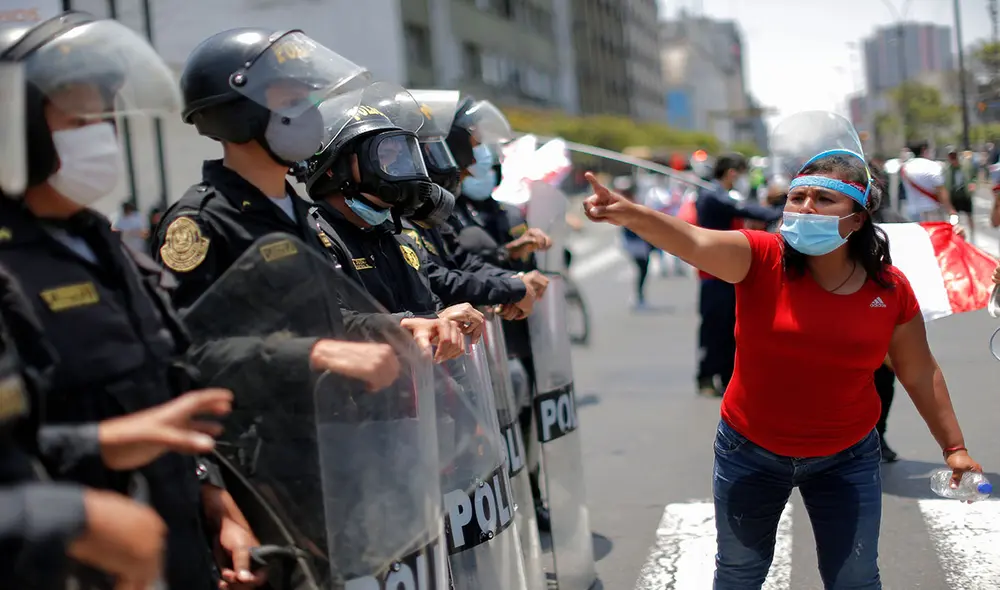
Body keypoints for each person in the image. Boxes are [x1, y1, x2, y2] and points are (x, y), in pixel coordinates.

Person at [583, 124, 981, 589]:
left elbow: (918, 370)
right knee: (739, 575)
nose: (805, 208)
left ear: (856, 218)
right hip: (749, 452)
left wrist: (954, 448)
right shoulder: (759, 258)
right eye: (797, 197)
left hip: (847, 457)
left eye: (823, 199)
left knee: (855, 579)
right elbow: (692, 241)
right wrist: (630, 214)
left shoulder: (890, 290)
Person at [0, 13, 263, 588]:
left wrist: (214, 501)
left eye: (105, 118)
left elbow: (167, 396)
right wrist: (108, 443)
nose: (102, 136)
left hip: (174, 553)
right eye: (78, 120)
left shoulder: (108, 248)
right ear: (17, 133)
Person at [150, 27, 463, 359]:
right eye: (292, 102)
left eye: (310, 101)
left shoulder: (298, 214)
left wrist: (403, 326)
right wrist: (313, 355)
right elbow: (188, 349)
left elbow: (329, 321)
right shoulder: (202, 223)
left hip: (331, 410)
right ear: (237, 115)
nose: (311, 114)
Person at [298, 83, 485, 340]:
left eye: (401, 156)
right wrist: (415, 324)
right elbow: (330, 320)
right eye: (384, 155)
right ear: (335, 168)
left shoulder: (401, 238)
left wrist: (449, 322)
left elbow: (430, 309)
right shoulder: (312, 237)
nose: (398, 168)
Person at [693, 154, 782, 398]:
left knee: (732, 329)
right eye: (740, 173)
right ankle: (705, 377)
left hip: (730, 272)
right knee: (714, 328)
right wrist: (776, 212)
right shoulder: (713, 195)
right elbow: (743, 209)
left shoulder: (723, 194)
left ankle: (726, 377)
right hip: (713, 273)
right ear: (732, 173)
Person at [618, 178, 655, 308]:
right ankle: (638, 297)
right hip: (634, 242)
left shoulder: (632, 203)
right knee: (642, 269)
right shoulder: (626, 205)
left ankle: (639, 296)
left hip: (637, 241)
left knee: (643, 270)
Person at [900, 142, 954, 222]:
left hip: (912, 211)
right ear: (924, 150)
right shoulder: (932, 166)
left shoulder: (905, 168)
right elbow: (941, 191)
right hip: (931, 210)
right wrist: (951, 210)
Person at [944, 147, 975, 242]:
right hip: (954, 195)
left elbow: (973, 175)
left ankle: (972, 236)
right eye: (951, 156)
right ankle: (955, 234)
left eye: (954, 156)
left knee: (969, 215)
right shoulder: (947, 169)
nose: (953, 159)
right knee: (954, 216)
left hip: (964, 194)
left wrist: (973, 184)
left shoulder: (965, 166)